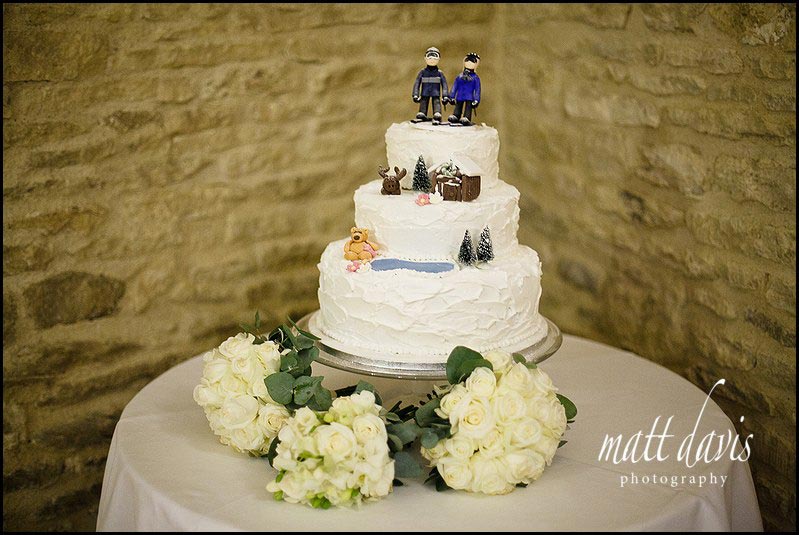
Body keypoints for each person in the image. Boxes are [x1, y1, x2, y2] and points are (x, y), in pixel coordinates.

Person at [412, 47, 449, 125]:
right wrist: (415, 94)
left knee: (436, 102)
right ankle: (422, 113)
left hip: (436, 93)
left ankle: (437, 113)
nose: (432, 59)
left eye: (435, 57)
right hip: (424, 93)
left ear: (439, 58)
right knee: (424, 102)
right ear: (425, 58)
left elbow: (444, 85)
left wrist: (445, 96)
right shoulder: (422, 72)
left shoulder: (439, 73)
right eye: (429, 57)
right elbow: (417, 83)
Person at [448, 52, 481, 126]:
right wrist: (452, 96)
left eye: (472, 61)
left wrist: (476, 100)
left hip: (469, 97)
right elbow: (455, 86)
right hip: (459, 96)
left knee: (468, 107)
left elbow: (477, 90)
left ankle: (467, 117)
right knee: (458, 106)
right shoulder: (460, 76)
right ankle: (456, 115)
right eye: (467, 60)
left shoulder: (475, 78)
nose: (469, 62)